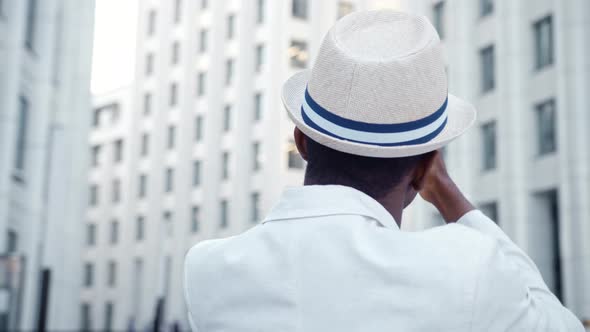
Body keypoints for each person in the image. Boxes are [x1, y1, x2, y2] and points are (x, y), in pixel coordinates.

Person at [184, 10, 584, 331]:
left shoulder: (206, 269)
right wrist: (451, 196)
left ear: (302, 142)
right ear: (425, 167)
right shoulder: (467, 268)